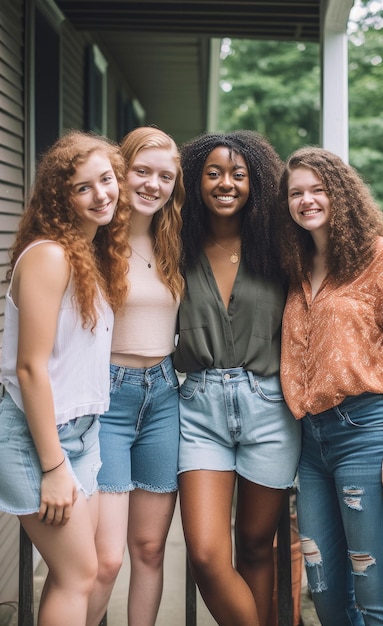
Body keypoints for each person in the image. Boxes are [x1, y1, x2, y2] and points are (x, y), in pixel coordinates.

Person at [276, 146, 383, 626]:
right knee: (327, 592)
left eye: (318, 189)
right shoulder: (294, 268)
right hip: (311, 443)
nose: (307, 200)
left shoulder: (382, 256)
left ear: (342, 194)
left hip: (367, 431)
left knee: (374, 589)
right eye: (296, 193)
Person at [0, 130, 130, 625]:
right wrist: (54, 468)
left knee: (88, 572)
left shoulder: (91, 257)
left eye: (106, 180)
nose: (102, 194)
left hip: (83, 432)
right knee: (78, 576)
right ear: (61, 197)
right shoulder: (49, 256)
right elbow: (30, 368)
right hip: (39, 440)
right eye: (83, 187)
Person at [173, 130, 301, 626]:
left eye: (238, 174)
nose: (226, 183)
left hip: (269, 407)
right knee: (206, 552)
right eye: (214, 173)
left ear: (256, 182)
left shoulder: (277, 245)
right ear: (195, 180)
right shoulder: (175, 243)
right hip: (199, 408)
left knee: (254, 546)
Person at [86, 126, 185, 626]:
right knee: (105, 560)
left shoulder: (175, 241)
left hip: (164, 397)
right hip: (107, 399)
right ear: (120, 172)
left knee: (149, 549)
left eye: (165, 176)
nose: (153, 184)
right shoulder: (95, 239)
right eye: (142, 171)